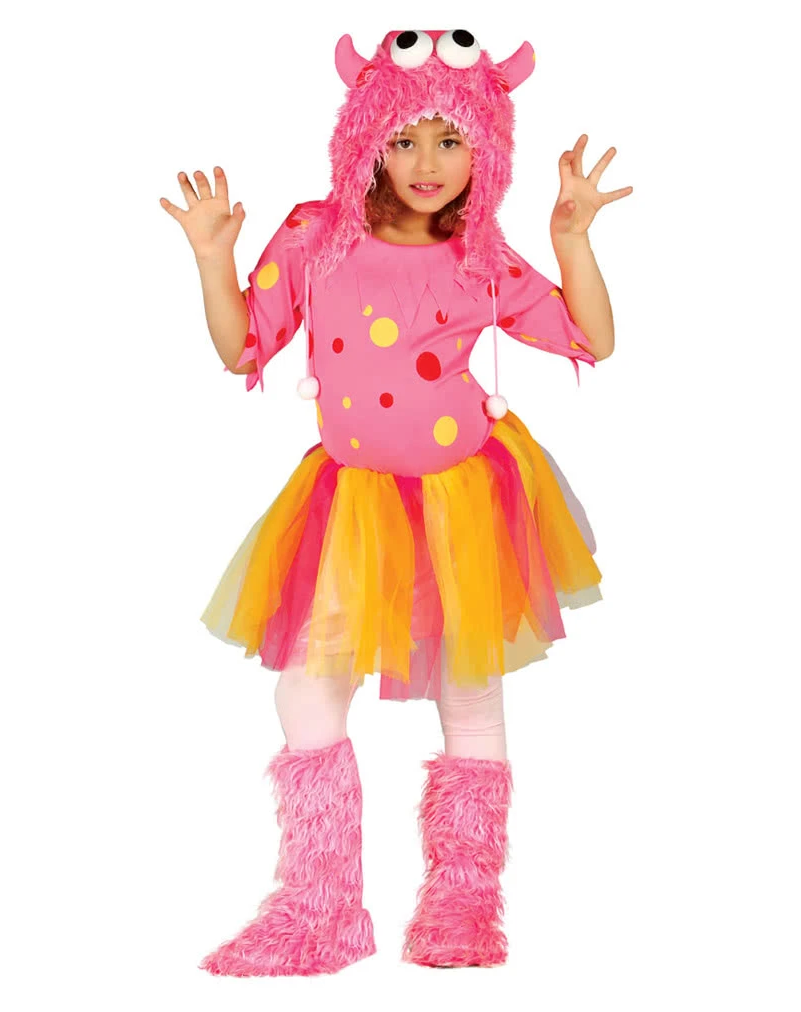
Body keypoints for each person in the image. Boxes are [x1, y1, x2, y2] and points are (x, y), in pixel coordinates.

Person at [160, 28, 631, 977]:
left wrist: (572, 241)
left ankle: (463, 903)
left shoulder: (479, 254)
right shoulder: (314, 235)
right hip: (353, 506)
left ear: (485, 150)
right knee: (309, 684)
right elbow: (244, 344)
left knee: (470, 686)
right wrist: (214, 260)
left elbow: (590, 337)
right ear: (365, 137)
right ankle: (319, 907)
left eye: (451, 140)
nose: (427, 162)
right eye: (406, 137)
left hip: (467, 502)